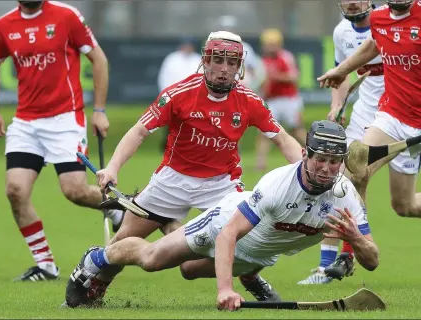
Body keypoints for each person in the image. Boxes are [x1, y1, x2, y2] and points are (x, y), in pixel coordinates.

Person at [61, 30, 305, 306]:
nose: (224, 70)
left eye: (232, 63)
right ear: (205, 61)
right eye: (218, 61)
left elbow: (283, 139)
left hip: (221, 185)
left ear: (240, 67)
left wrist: (307, 175)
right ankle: (97, 287)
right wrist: (113, 168)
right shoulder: (180, 93)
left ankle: (249, 274)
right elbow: (139, 131)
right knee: (120, 243)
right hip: (171, 182)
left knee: (239, 245)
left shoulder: (249, 100)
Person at [64, 120, 380, 310]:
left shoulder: (344, 195)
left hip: (257, 254)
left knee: (188, 269)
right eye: (320, 159)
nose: (326, 168)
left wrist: (356, 240)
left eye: (335, 162)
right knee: (151, 260)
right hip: (222, 224)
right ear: (305, 154)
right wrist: (225, 290)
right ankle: (97, 259)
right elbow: (229, 234)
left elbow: (372, 261)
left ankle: (173, 226)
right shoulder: (277, 186)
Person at [0, 0, 125, 281]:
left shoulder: (66, 15)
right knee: (15, 190)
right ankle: (46, 265)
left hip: (65, 120)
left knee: (75, 191)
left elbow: (99, 59)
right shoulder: (4, 25)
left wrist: (98, 110)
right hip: (25, 123)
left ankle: (123, 207)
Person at [317, 0, 421, 268]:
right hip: (392, 117)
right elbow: (373, 45)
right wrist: (341, 70)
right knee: (354, 168)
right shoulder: (380, 17)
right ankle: (354, 251)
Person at [299, 0, 389, 285]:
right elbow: (342, 75)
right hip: (365, 113)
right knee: (343, 179)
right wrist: (337, 106)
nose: (351, 2)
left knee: (406, 204)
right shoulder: (342, 33)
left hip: (400, 112)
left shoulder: (391, 22)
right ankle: (333, 263)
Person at [256, 28, 307, 171]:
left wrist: (275, 76)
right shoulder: (263, 60)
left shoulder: (285, 57)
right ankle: (260, 163)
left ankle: (315, 152)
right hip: (272, 100)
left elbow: (294, 77)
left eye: (272, 44)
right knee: (264, 131)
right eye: (267, 44)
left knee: (297, 130)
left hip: (288, 99)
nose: (269, 47)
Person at [157, 36, 202, 151]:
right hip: (174, 96)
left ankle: (190, 146)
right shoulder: (172, 59)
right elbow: (164, 77)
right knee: (171, 123)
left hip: (193, 97)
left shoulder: (198, 59)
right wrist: (168, 95)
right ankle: (169, 147)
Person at [216, 15, 266, 94]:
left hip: (241, 87)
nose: (228, 31)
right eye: (225, 29)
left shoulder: (245, 47)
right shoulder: (214, 47)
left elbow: (252, 70)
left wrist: (252, 86)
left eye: (230, 29)